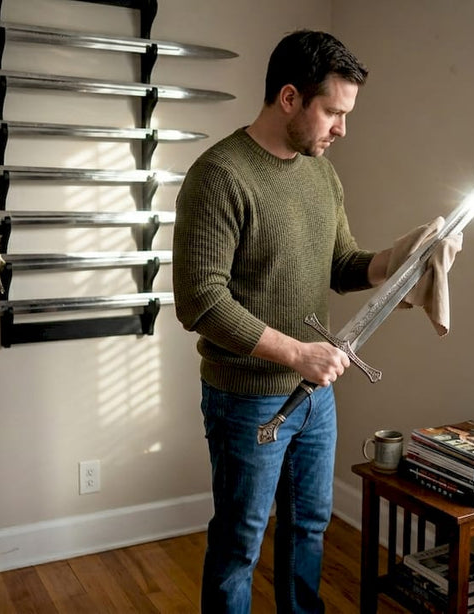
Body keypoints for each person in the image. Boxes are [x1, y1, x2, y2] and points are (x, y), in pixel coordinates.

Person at [173, 29, 454, 613]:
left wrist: (403, 256)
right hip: (247, 398)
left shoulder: (321, 175)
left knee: (308, 529)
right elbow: (201, 301)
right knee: (239, 544)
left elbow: (343, 265)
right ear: (289, 98)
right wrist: (298, 354)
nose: (342, 129)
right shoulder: (220, 175)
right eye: (333, 111)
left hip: (315, 398)